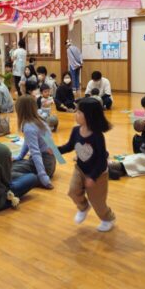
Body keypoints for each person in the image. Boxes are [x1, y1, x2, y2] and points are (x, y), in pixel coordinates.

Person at [58, 98, 115, 232]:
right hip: (80, 169)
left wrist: (93, 177)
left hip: (98, 173)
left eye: (79, 112)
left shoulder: (97, 136)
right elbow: (69, 146)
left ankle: (108, 218)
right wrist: (55, 150)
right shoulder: (76, 130)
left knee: (97, 202)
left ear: (89, 116)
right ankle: (84, 207)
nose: (75, 114)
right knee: (73, 191)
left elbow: (101, 160)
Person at [12, 96, 56, 189]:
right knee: (12, 164)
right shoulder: (40, 120)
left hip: (45, 165)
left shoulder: (28, 126)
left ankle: (35, 179)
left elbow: (36, 153)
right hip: (51, 162)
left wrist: (43, 177)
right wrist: (19, 157)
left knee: (7, 172)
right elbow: (28, 141)